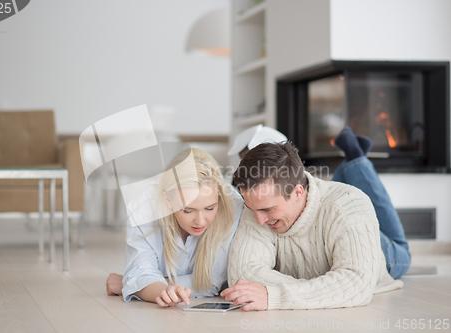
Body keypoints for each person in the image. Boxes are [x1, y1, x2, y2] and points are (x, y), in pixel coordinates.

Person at [221, 130, 409, 311]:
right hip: (327, 229)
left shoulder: (349, 205)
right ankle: (348, 166)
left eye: (268, 210)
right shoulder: (257, 204)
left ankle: (357, 161)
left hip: (382, 250)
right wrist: (325, 288)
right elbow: (243, 275)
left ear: (298, 192)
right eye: (252, 209)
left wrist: (274, 296)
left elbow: (356, 282)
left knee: (403, 251)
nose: (258, 220)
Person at [106, 148, 244, 307]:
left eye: (210, 208)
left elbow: (214, 280)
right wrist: (157, 289)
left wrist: (136, 285)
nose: (200, 221)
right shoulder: (144, 208)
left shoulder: (232, 205)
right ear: (168, 200)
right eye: (187, 210)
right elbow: (140, 272)